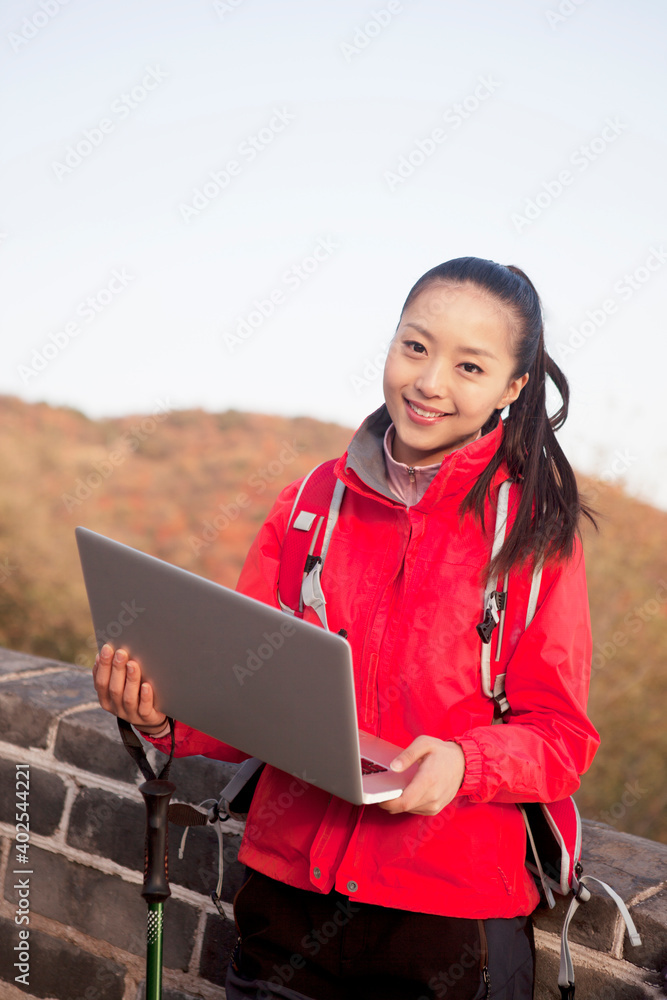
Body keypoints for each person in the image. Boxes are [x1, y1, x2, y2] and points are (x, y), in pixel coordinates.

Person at [94, 256, 600, 1000]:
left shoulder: (534, 532)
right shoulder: (309, 501)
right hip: (284, 908)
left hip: (448, 931)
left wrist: (464, 764)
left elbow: (559, 736)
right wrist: (163, 713)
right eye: (414, 346)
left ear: (512, 387)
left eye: (469, 365)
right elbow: (248, 695)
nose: (429, 382)